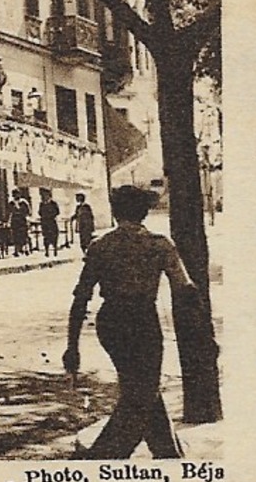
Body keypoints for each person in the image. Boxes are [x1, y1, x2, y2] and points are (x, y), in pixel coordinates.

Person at [63, 185, 198, 459]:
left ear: (115, 212)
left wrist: (72, 346)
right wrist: (199, 331)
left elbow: (81, 298)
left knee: (141, 388)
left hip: (111, 323)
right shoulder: (160, 245)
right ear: (145, 213)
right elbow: (185, 289)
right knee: (142, 391)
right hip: (143, 322)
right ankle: (100, 458)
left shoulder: (100, 246)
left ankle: (168, 454)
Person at [9, 188, 32, 256]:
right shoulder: (11, 203)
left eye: (17, 194)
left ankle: (26, 249)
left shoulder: (23, 202)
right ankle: (17, 250)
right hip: (15, 221)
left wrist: (26, 216)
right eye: (14, 194)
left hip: (22, 221)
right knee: (16, 236)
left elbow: (28, 211)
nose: (15, 195)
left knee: (24, 236)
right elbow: (9, 212)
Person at [40, 188, 63, 256]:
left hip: (52, 222)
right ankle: (47, 251)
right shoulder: (42, 204)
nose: (45, 197)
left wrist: (51, 215)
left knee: (54, 236)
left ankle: (55, 249)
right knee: (46, 237)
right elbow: (40, 212)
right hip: (45, 223)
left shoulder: (53, 203)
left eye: (46, 195)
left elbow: (57, 212)